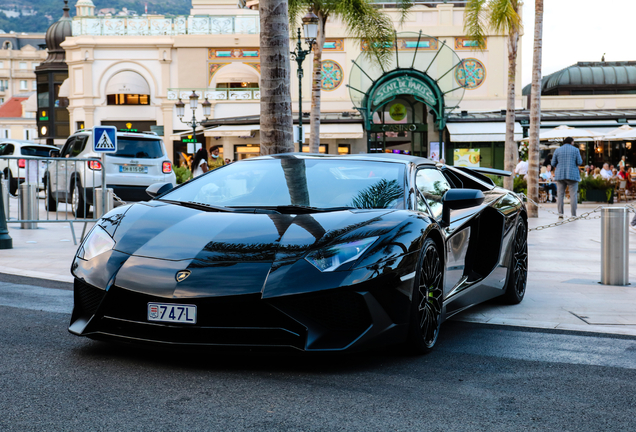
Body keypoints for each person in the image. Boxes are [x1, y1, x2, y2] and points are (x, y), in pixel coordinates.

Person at [551, 137, 583, 219]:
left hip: (560, 175)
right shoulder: (576, 150)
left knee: (560, 195)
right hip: (573, 175)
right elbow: (579, 162)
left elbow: (553, 163)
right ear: (571, 142)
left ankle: (560, 213)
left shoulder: (557, 150)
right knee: (573, 195)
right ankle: (573, 214)